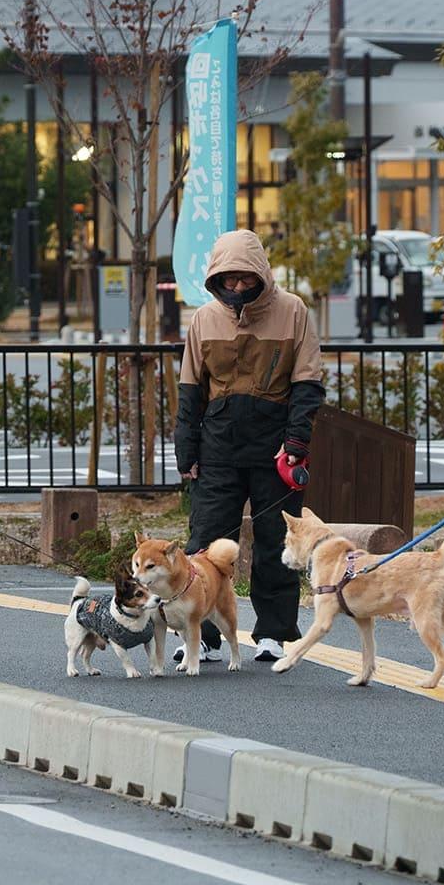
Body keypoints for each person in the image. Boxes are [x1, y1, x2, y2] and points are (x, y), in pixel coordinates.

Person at [173, 229, 325, 665]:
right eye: (229, 278)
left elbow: (307, 383)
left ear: (261, 273)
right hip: (218, 445)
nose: (238, 286)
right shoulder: (204, 319)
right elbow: (190, 392)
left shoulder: (293, 311)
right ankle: (201, 634)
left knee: (279, 539)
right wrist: (187, 451)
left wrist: (296, 441)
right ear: (216, 277)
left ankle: (275, 632)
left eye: (245, 278)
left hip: (276, 446)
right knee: (204, 542)